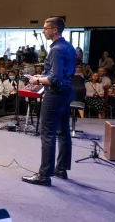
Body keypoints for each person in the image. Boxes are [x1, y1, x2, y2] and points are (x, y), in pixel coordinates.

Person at [23, 17, 76, 186]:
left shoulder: (56, 49)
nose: (43, 31)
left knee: (47, 134)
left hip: (54, 94)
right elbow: (60, 74)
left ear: (54, 30)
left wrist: (37, 81)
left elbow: (54, 78)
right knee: (63, 132)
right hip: (66, 92)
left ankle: (44, 175)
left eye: (45, 28)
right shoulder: (68, 47)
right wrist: (40, 76)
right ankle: (61, 169)